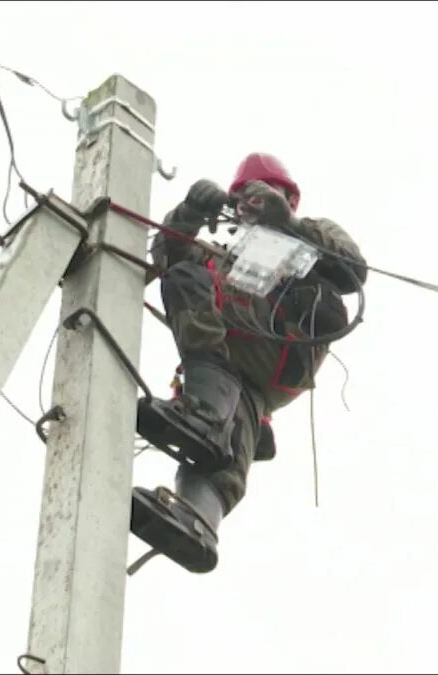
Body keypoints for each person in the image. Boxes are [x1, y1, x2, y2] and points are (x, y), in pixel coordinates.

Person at [130, 152, 369, 573]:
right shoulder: (225, 256)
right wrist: (189, 213)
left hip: (284, 346)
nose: (250, 202)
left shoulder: (311, 236)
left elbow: (354, 271)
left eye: (262, 193)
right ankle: (197, 517)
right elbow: (168, 256)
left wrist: (291, 227)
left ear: (288, 197)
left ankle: (207, 413)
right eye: (243, 197)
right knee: (228, 435)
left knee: (194, 285)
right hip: (238, 367)